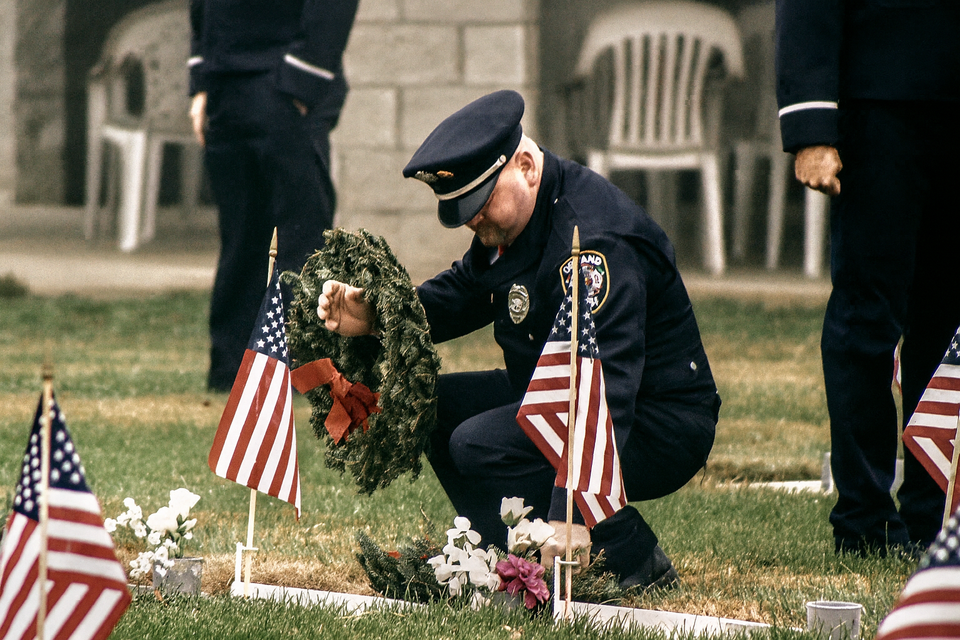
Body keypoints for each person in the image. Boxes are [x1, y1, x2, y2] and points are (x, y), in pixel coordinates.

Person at [317, 90, 720, 589]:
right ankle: (504, 564)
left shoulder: (593, 243)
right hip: (554, 392)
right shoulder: (517, 219)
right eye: (461, 209)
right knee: (433, 407)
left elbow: (607, 383)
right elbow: (466, 289)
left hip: (655, 419)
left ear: (526, 165)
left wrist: (570, 504)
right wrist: (377, 313)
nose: (471, 220)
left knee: (477, 444)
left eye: (479, 203)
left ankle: (630, 558)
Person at [776, 0, 960, 555]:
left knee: (950, 327)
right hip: (878, 109)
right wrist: (811, 126)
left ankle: (939, 514)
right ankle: (865, 517)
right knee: (868, 319)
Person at [188, 0, 359, 391]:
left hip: (285, 82)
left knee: (300, 240)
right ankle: (232, 371)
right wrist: (201, 84)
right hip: (224, 88)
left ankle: (301, 371)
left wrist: (302, 84)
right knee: (240, 238)